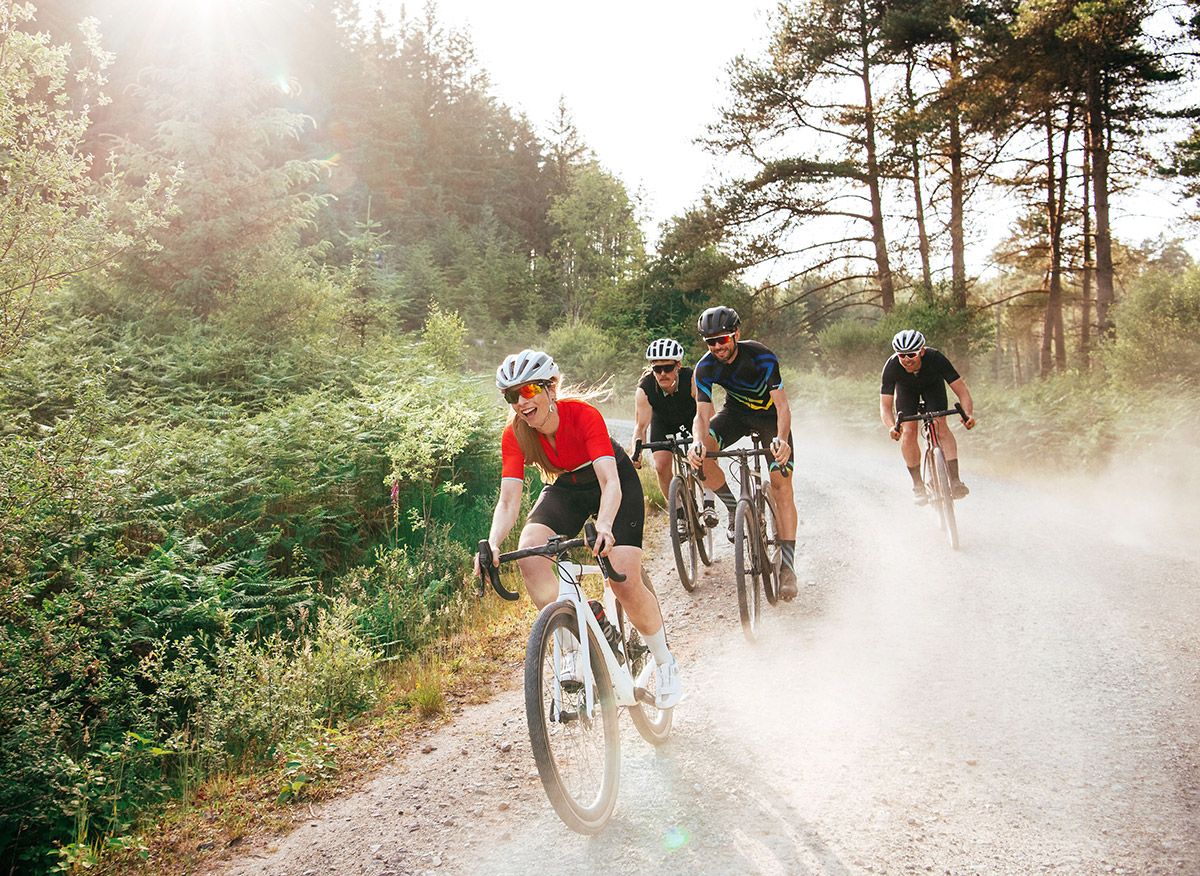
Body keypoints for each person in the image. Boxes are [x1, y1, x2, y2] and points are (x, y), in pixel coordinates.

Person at [476, 349, 682, 709]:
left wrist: (604, 524)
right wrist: (493, 543)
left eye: (527, 392)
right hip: (567, 486)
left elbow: (609, 481)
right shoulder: (515, 435)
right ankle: (574, 641)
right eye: (512, 396)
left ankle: (665, 662)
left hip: (613, 481)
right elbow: (509, 500)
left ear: (550, 388)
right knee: (531, 552)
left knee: (623, 579)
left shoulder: (582, 415)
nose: (520, 403)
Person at [686, 306, 801, 600]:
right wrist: (698, 442)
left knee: (782, 487)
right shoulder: (705, 367)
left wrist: (783, 440)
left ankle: (787, 568)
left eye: (722, 339)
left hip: (770, 420)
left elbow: (783, 407)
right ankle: (733, 506)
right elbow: (701, 415)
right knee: (701, 457)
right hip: (735, 415)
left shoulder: (761, 356)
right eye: (710, 342)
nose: (717, 347)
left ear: (736, 334)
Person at [879, 329, 977, 503]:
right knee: (908, 432)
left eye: (911, 354)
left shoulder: (935, 358)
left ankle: (954, 481)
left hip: (933, 388)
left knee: (940, 426)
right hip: (906, 392)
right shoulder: (892, 366)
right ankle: (918, 485)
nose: (906, 360)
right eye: (902, 355)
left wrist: (967, 414)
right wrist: (892, 427)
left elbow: (962, 391)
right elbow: (885, 406)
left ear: (922, 351)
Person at [630, 338, 718, 528]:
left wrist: (703, 439)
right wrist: (636, 453)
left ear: (678, 365)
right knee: (661, 466)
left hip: (692, 419)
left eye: (668, 368)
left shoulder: (692, 378)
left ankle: (709, 500)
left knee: (705, 452)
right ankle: (679, 513)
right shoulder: (645, 389)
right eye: (657, 369)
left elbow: (709, 415)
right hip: (663, 423)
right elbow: (641, 426)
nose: (662, 374)